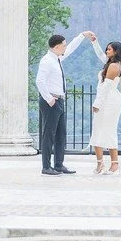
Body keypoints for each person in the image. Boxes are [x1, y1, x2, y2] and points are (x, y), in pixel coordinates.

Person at [35, 30, 96, 176]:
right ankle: (46, 166)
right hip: (51, 101)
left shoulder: (57, 58)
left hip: (59, 101)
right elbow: (39, 81)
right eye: (63, 45)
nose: (65, 48)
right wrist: (49, 99)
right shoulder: (47, 61)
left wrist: (82, 35)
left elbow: (70, 49)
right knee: (48, 134)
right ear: (56, 47)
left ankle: (58, 164)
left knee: (61, 134)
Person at [90, 40, 121, 174]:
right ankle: (100, 164)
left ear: (116, 51)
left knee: (109, 130)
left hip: (109, 102)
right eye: (107, 49)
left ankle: (114, 164)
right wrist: (94, 42)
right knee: (97, 130)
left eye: (109, 49)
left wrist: (97, 104)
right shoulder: (110, 64)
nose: (107, 51)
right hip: (105, 100)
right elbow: (100, 54)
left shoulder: (114, 67)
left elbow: (105, 87)